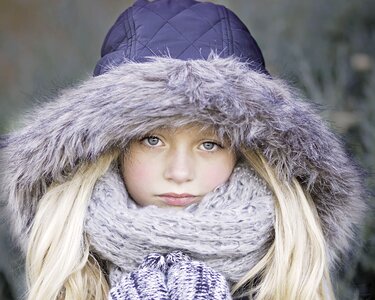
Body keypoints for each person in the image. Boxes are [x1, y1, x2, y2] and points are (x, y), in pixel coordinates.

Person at [0, 0, 366, 299]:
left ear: (247, 157)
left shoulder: (291, 278)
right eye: (152, 140)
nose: (179, 171)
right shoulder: (68, 274)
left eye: (209, 144)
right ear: (109, 150)